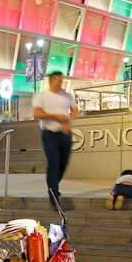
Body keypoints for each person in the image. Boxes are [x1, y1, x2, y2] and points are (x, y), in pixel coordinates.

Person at [32, 71, 79, 209]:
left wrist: (68, 119)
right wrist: (56, 117)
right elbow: (37, 113)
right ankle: (53, 195)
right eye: (57, 80)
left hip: (65, 134)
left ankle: (52, 187)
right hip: (49, 134)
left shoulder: (67, 95)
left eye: (61, 80)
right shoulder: (41, 96)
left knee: (63, 164)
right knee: (53, 164)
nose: (60, 83)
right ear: (51, 81)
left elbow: (75, 111)